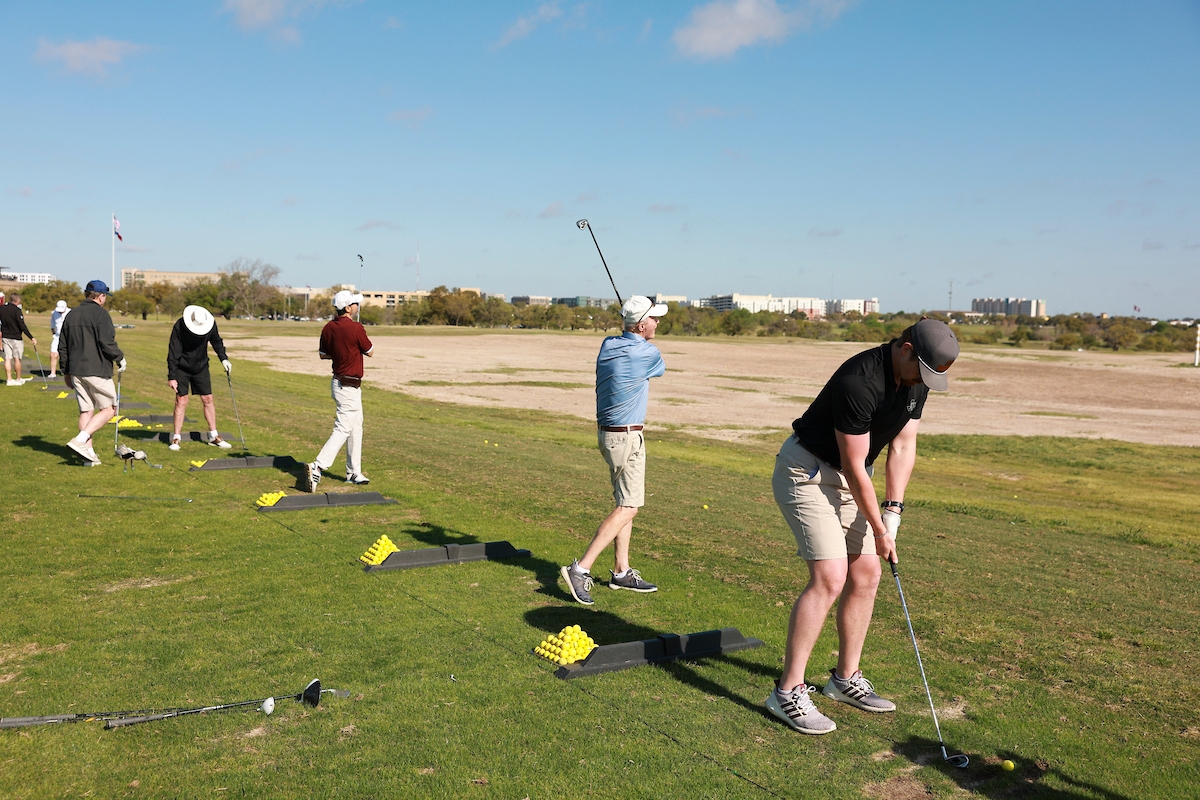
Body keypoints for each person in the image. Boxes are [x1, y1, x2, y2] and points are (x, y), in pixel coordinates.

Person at [764, 318, 959, 735]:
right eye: (922, 371)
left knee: (868, 572)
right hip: (808, 472)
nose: (922, 382)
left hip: (856, 478)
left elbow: (903, 445)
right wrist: (880, 530)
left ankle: (844, 679)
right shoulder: (859, 380)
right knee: (830, 576)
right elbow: (853, 465)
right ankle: (787, 693)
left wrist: (894, 512)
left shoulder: (917, 380)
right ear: (906, 349)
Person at [560, 295, 668, 605]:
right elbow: (659, 369)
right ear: (641, 325)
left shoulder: (608, 344)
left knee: (625, 501)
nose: (658, 323)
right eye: (654, 319)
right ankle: (580, 568)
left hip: (609, 436)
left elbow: (628, 341)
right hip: (626, 438)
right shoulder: (647, 353)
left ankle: (621, 571)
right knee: (629, 507)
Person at [307, 290, 373, 491]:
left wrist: (341, 352)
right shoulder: (356, 328)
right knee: (343, 428)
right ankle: (318, 466)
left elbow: (323, 354)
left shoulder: (328, 327)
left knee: (355, 426)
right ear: (347, 308)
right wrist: (350, 349)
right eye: (355, 304)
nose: (357, 306)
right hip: (348, 386)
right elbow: (370, 351)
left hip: (340, 383)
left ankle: (353, 472)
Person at [58, 280, 126, 466]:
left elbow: (62, 346)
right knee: (109, 409)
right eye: (105, 296)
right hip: (96, 369)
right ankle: (80, 440)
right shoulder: (101, 314)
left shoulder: (71, 314)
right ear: (101, 296)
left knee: (86, 410)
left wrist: (66, 371)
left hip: (76, 370)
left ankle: (88, 455)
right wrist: (120, 358)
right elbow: (107, 342)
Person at [166, 305, 233, 451]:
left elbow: (216, 341)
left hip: (201, 367)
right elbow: (173, 351)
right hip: (182, 367)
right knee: (181, 401)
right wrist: (172, 376)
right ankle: (176, 437)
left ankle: (213, 436)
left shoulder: (210, 324)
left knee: (208, 399)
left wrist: (224, 359)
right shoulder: (180, 326)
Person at [1, 292, 37, 385]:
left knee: (8, 358)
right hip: (16, 338)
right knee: (17, 359)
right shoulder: (17, 310)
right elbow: (22, 326)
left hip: (5, 336)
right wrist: (31, 337)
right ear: (17, 301)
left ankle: (9, 379)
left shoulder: (2, 308)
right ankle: (18, 378)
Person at [49, 300, 69, 378]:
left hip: (68, 336)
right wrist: (54, 333)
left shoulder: (70, 312)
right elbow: (52, 326)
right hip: (57, 336)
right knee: (53, 354)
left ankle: (67, 372)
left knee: (68, 355)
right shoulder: (54, 313)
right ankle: (52, 373)